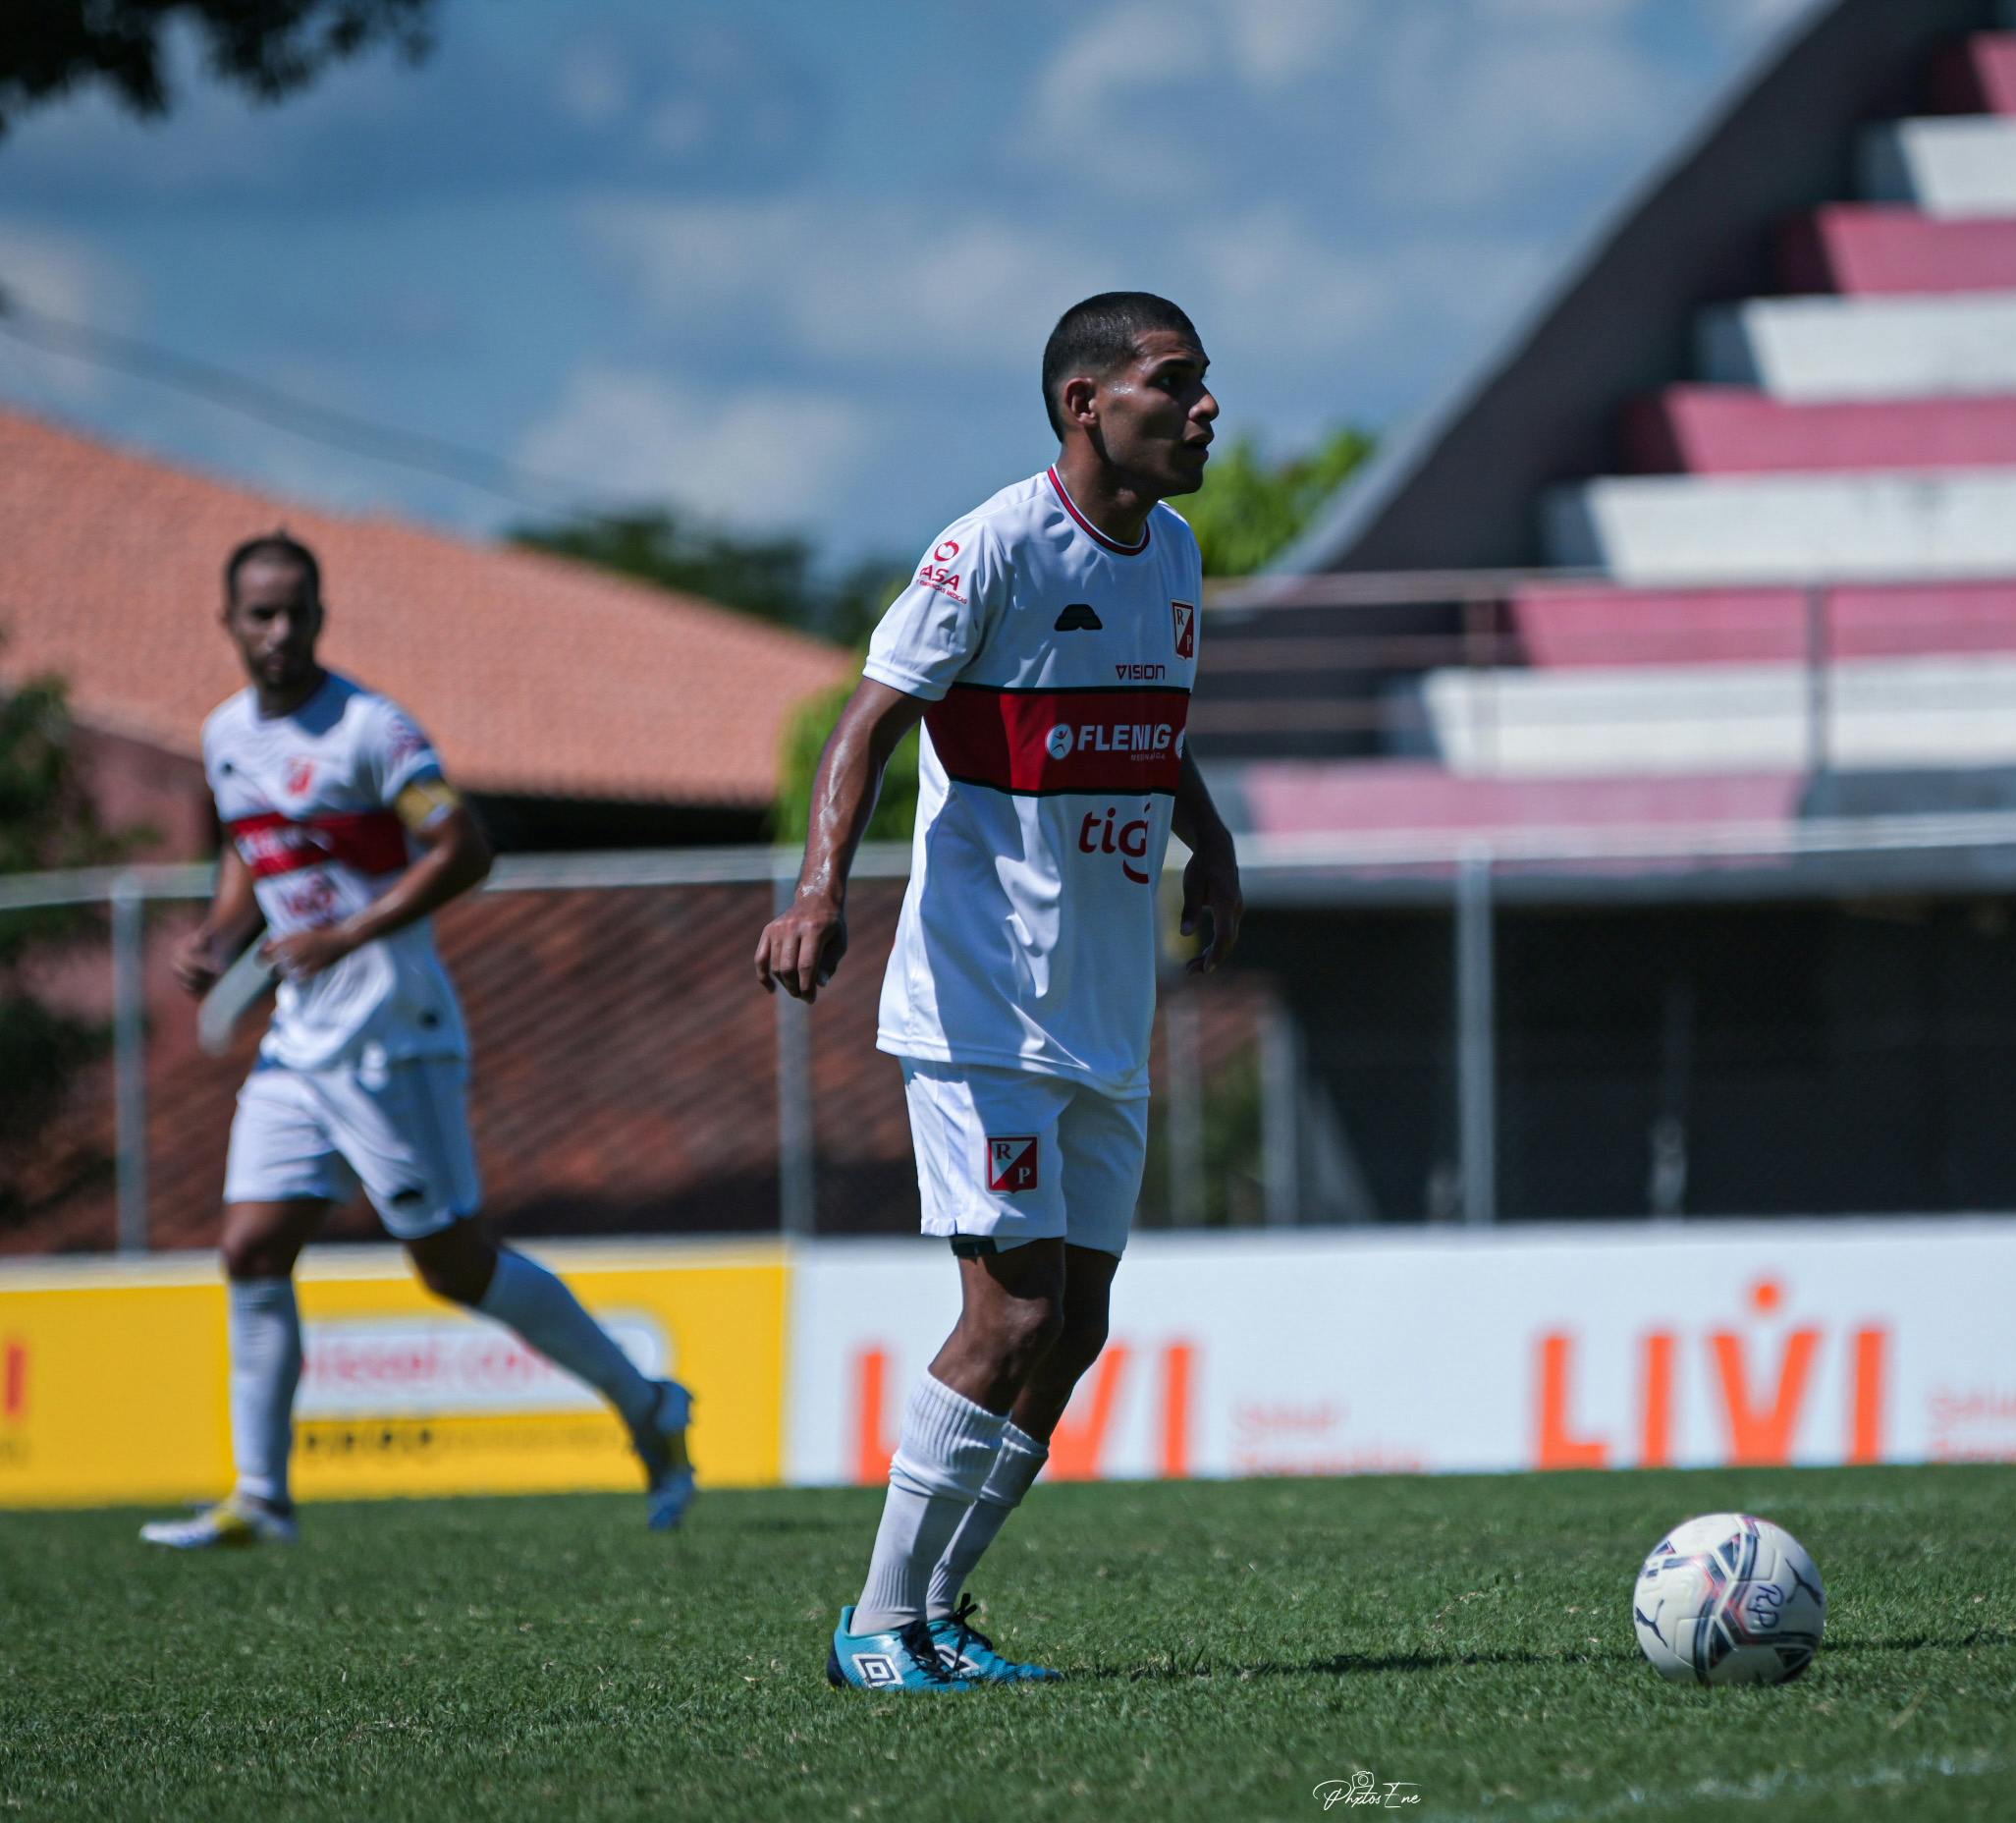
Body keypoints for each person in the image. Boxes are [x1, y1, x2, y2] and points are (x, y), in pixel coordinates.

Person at [756, 292, 1242, 1691]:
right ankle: (874, 1624)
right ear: (1086, 403)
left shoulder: (1179, 557)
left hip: (1104, 1009)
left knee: (1075, 1327)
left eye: (1207, 384)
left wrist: (1208, 840)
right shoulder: (991, 549)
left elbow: (1149, 723)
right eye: (1176, 383)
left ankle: (941, 1612)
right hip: (983, 1011)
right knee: (1011, 1313)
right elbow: (869, 719)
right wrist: (816, 893)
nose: (1206, 408)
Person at [141, 532, 694, 1549]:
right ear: (226, 622)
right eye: (259, 614)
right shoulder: (225, 735)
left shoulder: (370, 730)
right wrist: (224, 936)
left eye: (297, 611)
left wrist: (347, 932)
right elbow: (246, 843)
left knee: (453, 1265)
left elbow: (465, 846)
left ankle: (648, 1405)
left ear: (320, 615)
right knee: (251, 1245)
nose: (279, 631)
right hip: (300, 1040)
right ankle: (261, 1496)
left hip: (396, 1034)